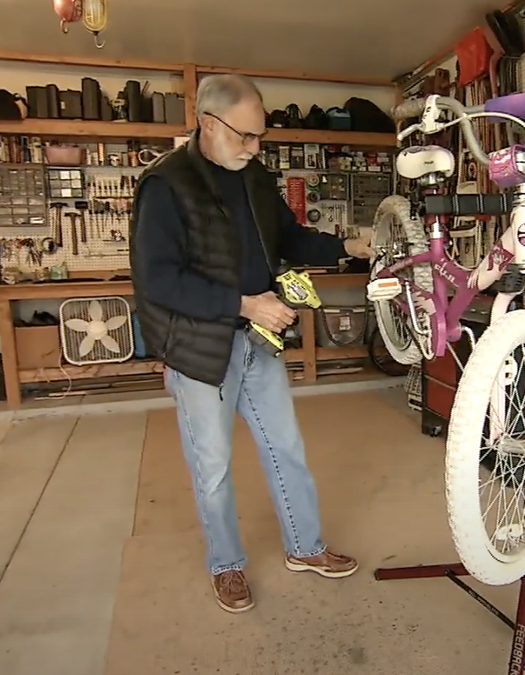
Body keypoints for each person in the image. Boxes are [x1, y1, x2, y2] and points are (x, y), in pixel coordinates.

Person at [129, 74, 375, 614]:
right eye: (245, 136)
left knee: (286, 447)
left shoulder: (255, 176)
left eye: (260, 136)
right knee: (212, 466)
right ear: (209, 124)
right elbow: (158, 281)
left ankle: (305, 547)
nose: (255, 147)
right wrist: (245, 303)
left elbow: (286, 236)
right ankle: (227, 564)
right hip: (199, 350)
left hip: (257, 343)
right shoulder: (166, 185)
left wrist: (346, 244)